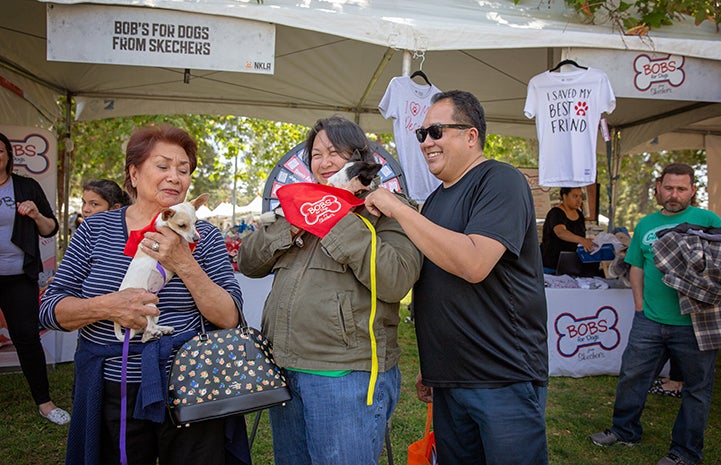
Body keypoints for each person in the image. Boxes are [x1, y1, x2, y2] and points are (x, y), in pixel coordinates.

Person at [39, 124, 245, 465]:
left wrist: (183, 261)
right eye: (162, 166)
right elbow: (50, 310)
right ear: (134, 174)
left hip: (189, 383)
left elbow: (229, 316)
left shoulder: (203, 236)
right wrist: (108, 306)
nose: (175, 178)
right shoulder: (95, 229)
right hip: (112, 387)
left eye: (184, 170)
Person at [365, 90, 549, 465]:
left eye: (436, 131)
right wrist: (435, 367)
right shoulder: (435, 201)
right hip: (450, 379)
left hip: (502, 375)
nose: (426, 142)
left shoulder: (500, 180)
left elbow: (474, 263)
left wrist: (399, 209)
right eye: (421, 135)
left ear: (471, 135)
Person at [238, 115, 423, 465]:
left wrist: (337, 216)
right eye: (317, 154)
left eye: (334, 153)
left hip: (345, 373)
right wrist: (293, 226)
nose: (324, 163)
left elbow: (397, 279)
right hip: (285, 365)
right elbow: (249, 262)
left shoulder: (389, 211)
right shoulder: (300, 207)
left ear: (358, 157)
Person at [589, 163, 721, 465]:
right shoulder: (646, 224)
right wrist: (639, 305)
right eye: (669, 188)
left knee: (697, 390)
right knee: (632, 377)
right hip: (648, 320)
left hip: (695, 324)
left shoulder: (709, 220)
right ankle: (624, 431)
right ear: (659, 188)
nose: (674, 195)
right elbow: (636, 266)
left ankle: (685, 453)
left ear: (692, 190)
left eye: (681, 189)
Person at [0, 132, 70, 425]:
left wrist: (35, 214)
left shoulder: (26, 186)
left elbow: (50, 229)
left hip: (19, 276)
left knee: (27, 339)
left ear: (7, 155)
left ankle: (45, 402)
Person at [540, 186, 596, 273]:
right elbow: (561, 232)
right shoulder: (555, 213)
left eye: (580, 196)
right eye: (575, 196)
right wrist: (582, 240)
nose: (579, 200)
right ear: (564, 196)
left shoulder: (579, 214)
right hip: (551, 266)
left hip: (571, 266)